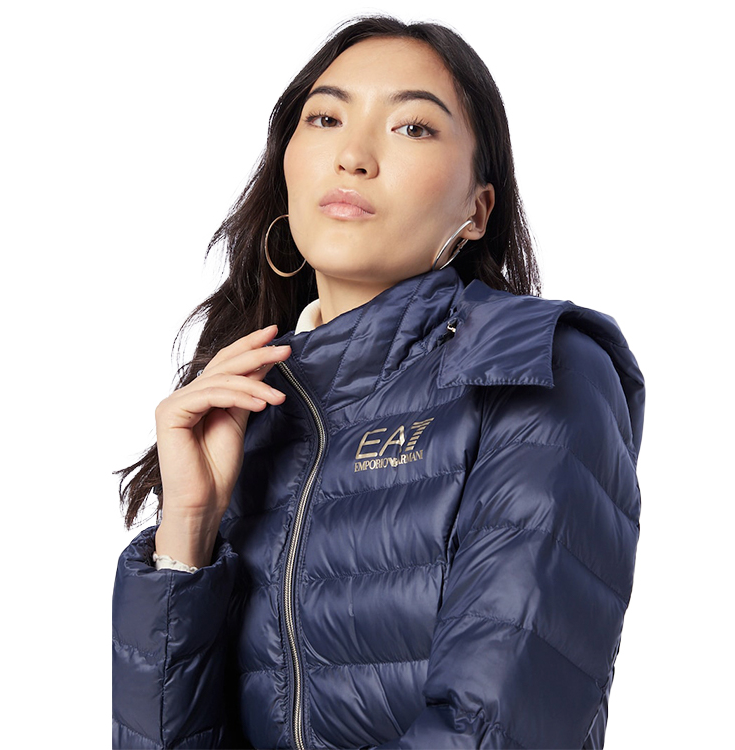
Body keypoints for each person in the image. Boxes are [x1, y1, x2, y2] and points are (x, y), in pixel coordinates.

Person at [112, 15, 644, 750]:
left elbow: (492, 729)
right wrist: (188, 534)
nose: (353, 156)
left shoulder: (530, 366)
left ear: (476, 210)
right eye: (325, 119)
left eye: (413, 128)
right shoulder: (249, 410)